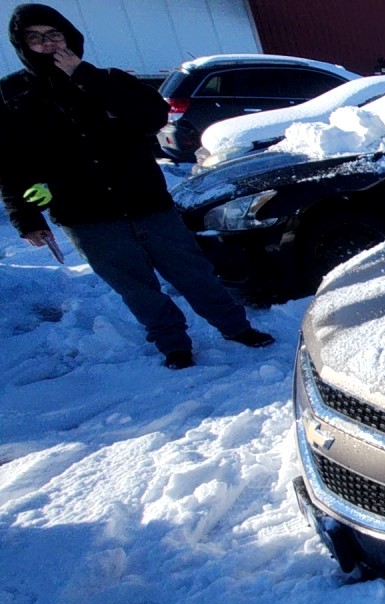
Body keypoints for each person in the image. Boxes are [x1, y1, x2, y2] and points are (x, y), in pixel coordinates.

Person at [0, 3, 274, 370]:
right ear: (22, 45)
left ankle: (236, 328)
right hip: (85, 215)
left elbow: (153, 115)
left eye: (54, 35)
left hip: (146, 201)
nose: (47, 44)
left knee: (193, 272)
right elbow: (10, 161)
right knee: (135, 286)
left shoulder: (108, 78)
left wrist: (85, 77)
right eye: (35, 38)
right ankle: (173, 344)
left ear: (70, 38)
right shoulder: (12, 94)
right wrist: (25, 216)